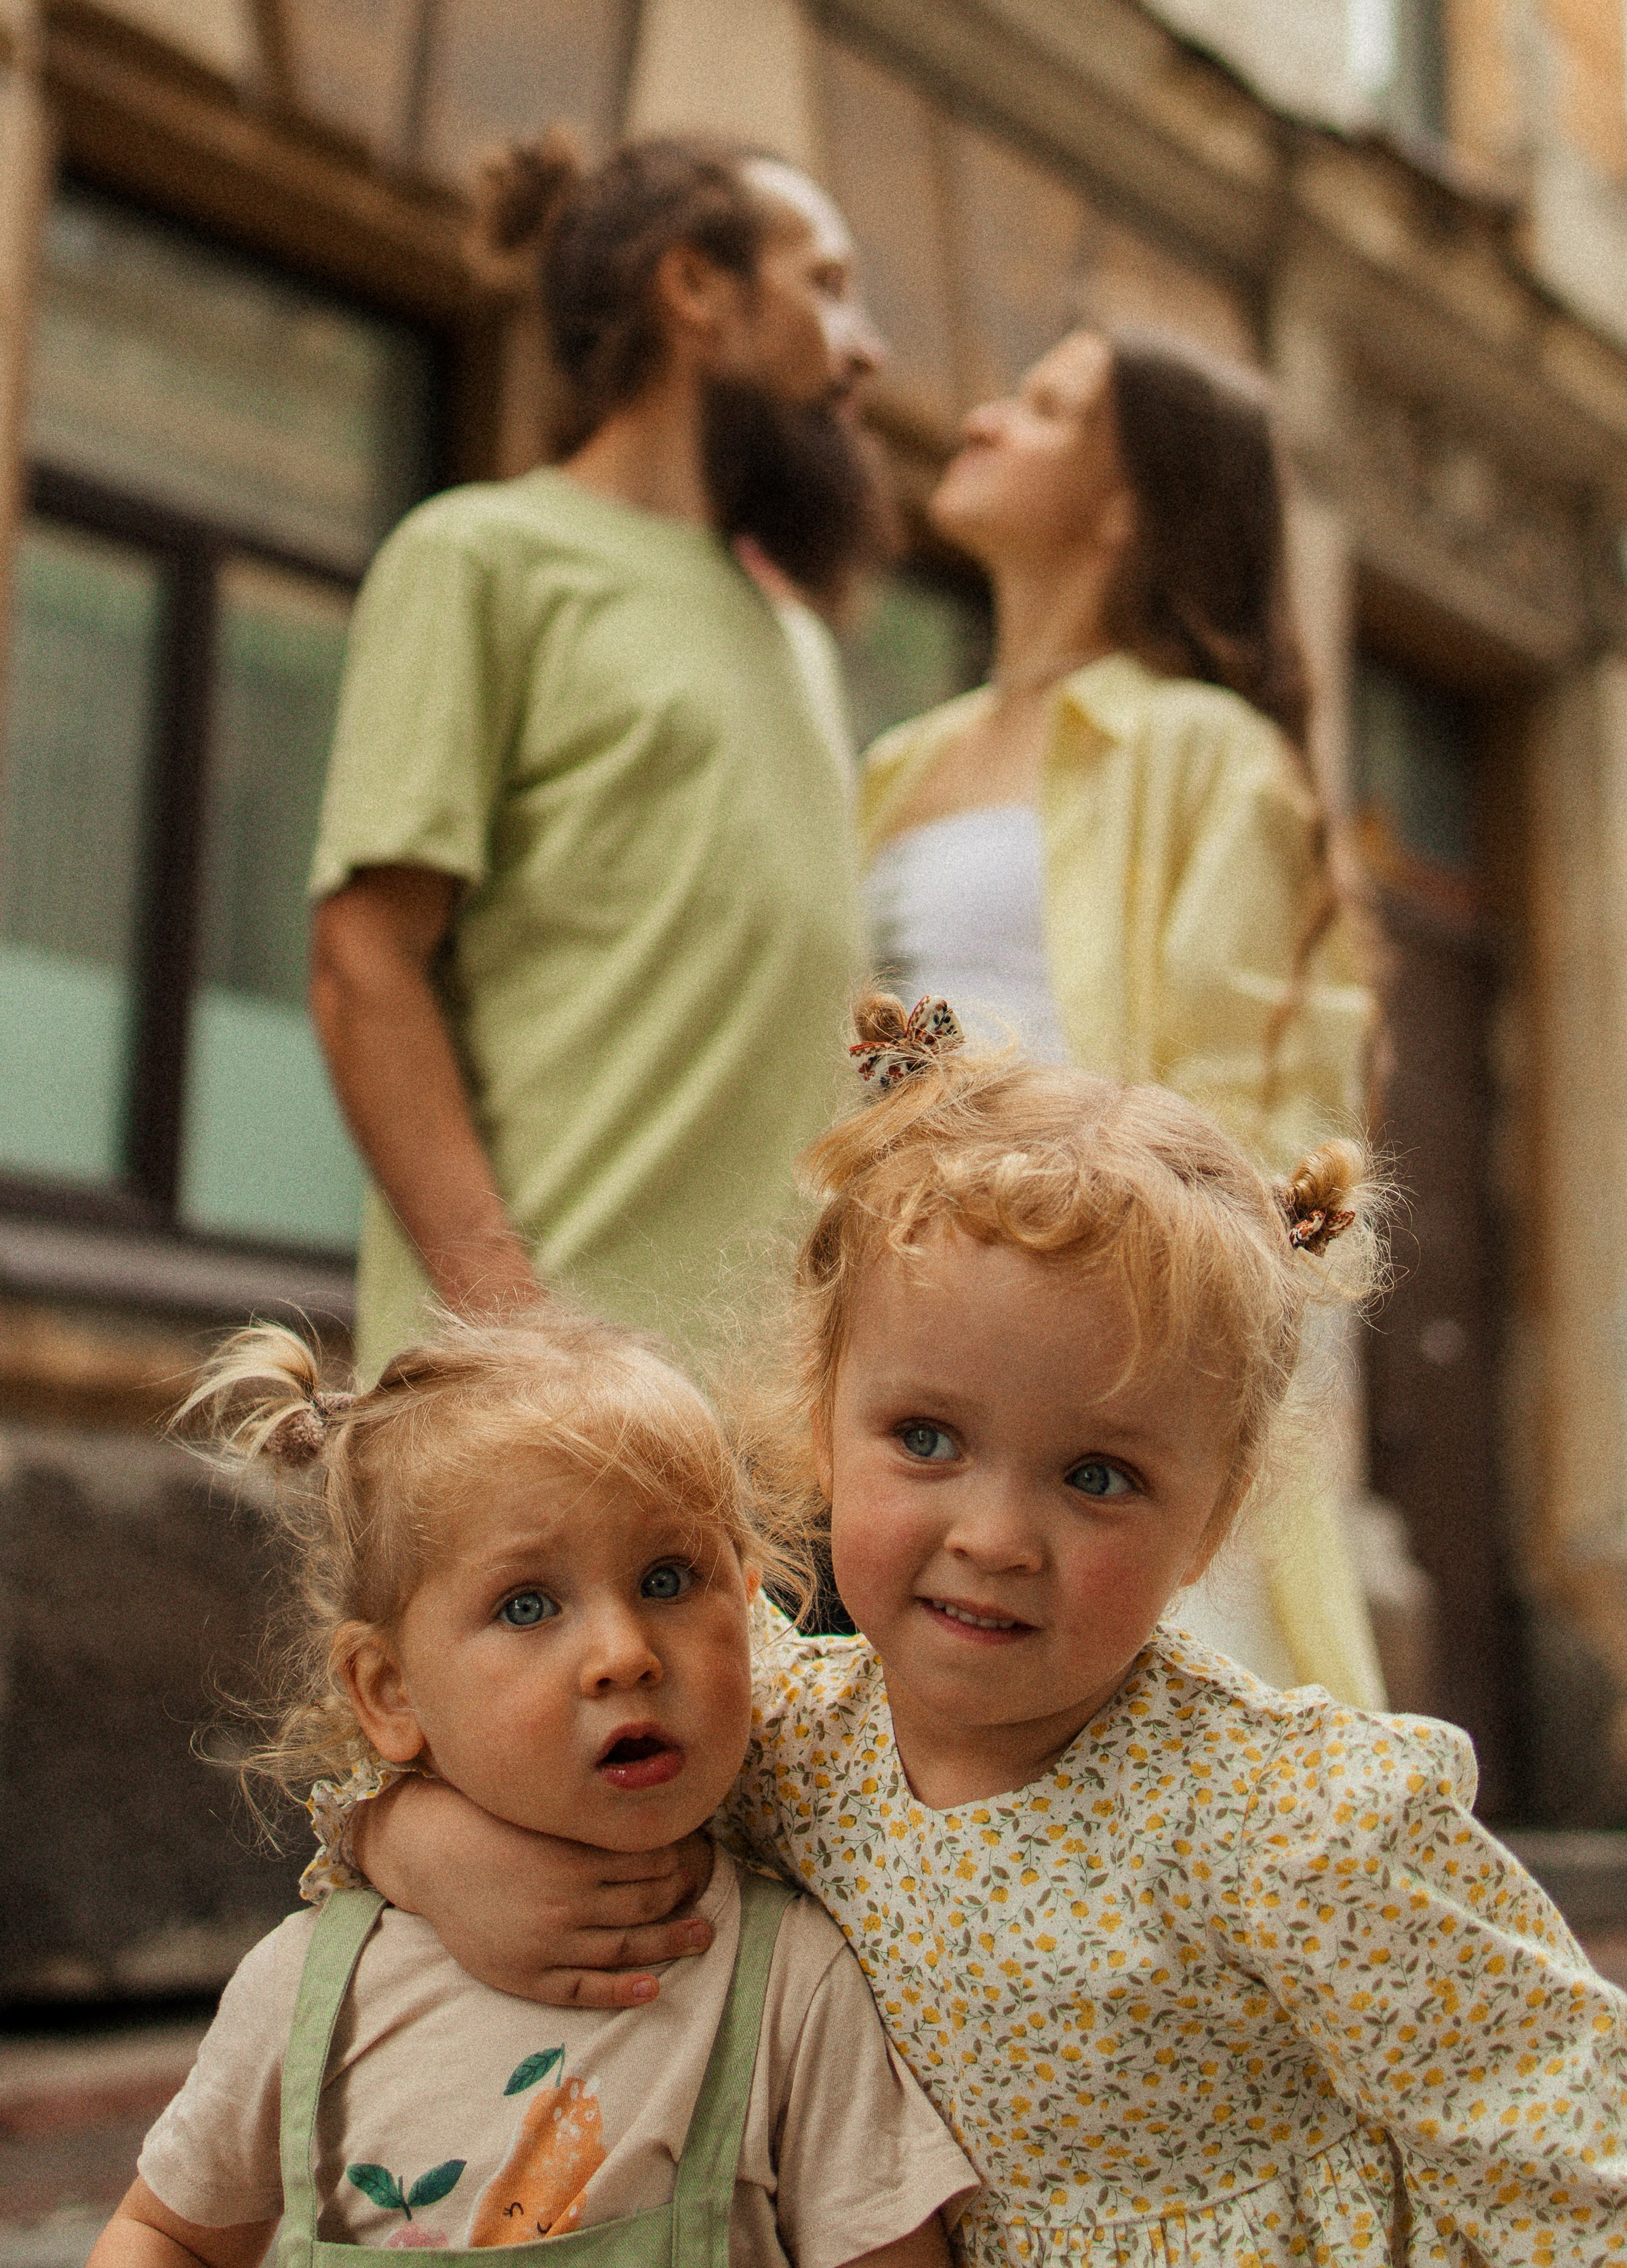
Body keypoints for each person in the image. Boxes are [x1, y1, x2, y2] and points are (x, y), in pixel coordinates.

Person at [328, 1003, 1627, 2263]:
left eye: (1099, 1476)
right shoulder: (772, 1737)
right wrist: (417, 1842)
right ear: (822, 1423)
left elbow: (1564, 2145)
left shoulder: (1290, 1824)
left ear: (1213, 1519)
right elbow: (473, 1750)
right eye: (929, 1440)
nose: (997, 1536)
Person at [88, 1309, 976, 2268]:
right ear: (391, 1692)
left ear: (753, 1615)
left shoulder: (788, 1986)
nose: (623, 1655)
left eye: (670, 1579)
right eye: (527, 1606)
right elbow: (166, 2233)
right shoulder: (312, 1989)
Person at [310, 132, 883, 1382]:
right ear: (695, 290)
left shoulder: (795, 634)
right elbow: (364, 962)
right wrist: (514, 1328)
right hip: (529, 1413)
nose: (868, 347)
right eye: (827, 286)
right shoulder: (480, 557)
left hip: (764, 1430)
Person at [863, 326, 1380, 1699]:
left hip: (1101, 1346)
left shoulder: (1207, 752)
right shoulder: (900, 760)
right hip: (906, 1328)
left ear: (1126, 505)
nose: (978, 416)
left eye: (1041, 410)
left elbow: (1265, 1107)